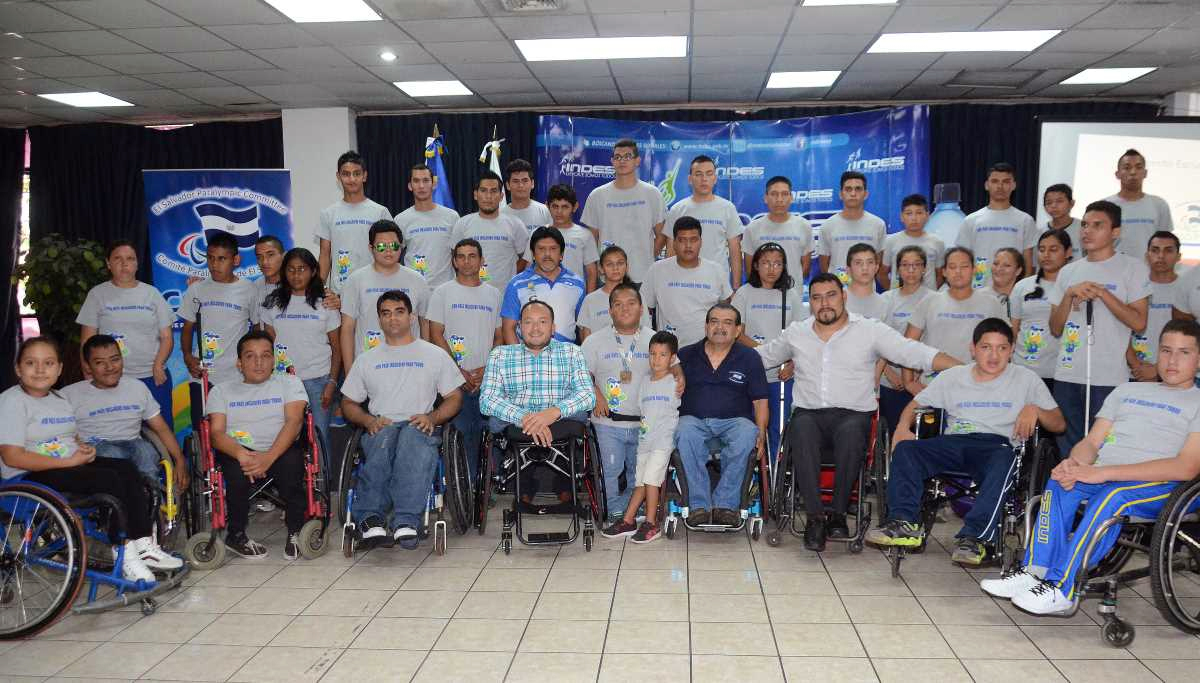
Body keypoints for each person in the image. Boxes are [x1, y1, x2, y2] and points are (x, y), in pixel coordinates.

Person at [982, 319, 1200, 614]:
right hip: (1107, 475)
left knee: (1113, 496)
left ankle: (1063, 587)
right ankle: (1035, 572)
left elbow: (1186, 468)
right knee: (1061, 481)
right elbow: (1092, 442)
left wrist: (1102, 473)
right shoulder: (1126, 391)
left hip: (1167, 486)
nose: (1172, 360)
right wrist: (1074, 463)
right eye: (1166, 350)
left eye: (1184, 352)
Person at [756, 273, 958, 550]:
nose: (824, 303)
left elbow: (912, 352)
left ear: (844, 296)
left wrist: (963, 368)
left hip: (853, 416)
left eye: (831, 295)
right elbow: (762, 357)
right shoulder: (797, 333)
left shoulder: (869, 330)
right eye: (817, 298)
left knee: (852, 432)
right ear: (810, 303)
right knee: (800, 428)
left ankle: (838, 514)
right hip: (809, 415)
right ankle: (815, 518)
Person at [866, 318, 1065, 564]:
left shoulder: (1026, 379)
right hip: (954, 442)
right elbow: (916, 403)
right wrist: (901, 428)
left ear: (1012, 349)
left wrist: (1036, 409)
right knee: (907, 449)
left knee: (1006, 459)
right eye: (986, 347)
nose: (994, 355)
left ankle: (975, 537)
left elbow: (1058, 424)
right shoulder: (953, 376)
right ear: (973, 349)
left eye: (1002, 348)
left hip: (996, 446)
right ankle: (904, 523)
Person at [0, 337, 182, 581]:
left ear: (59, 369)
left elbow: (68, 436)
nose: (40, 369)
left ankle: (143, 544)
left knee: (127, 469)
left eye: (48, 363)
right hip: (28, 476)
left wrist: (82, 448)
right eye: (31, 363)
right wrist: (68, 462)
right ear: (18, 369)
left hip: (65, 467)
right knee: (108, 479)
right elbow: (12, 457)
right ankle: (124, 554)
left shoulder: (58, 399)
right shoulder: (11, 401)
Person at [341, 291, 464, 549]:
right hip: (381, 424)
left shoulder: (434, 354)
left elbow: (454, 397)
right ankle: (371, 519)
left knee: (411, 437)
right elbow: (348, 403)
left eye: (399, 312)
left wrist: (432, 417)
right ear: (379, 319)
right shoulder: (366, 359)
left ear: (411, 317)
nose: (392, 318)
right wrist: (367, 420)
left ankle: (406, 520)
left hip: (419, 424)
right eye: (386, 313)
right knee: (383, 438)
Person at [1049, 200, 1150, 455]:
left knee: (1104, 447)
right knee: (1068, 446)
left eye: (1097, 225)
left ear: (1115, 232)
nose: (1087, 231)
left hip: (1109, 375)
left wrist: (1103, 294)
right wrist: (1069, 294)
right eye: (1084, 225)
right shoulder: (1068, 272)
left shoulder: (1133, 268)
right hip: (1068, 374)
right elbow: (1055, 327)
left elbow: (1139, 322)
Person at [206, 329, 310, 559]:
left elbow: (294, 422)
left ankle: (296, 530)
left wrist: (269, 457)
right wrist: (242, 454)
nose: (259, 362)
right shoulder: (221, 391)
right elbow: (216, 434)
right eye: (250, 356)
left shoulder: (290, 383)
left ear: (274, 360)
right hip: (238, 451)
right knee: (235, 474)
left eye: (265, 355)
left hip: (279, 448)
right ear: (239, 363)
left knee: (293, 464)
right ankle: (236, 535)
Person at [480, 300, 596, 504]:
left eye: (542, 322)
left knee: (579, 415)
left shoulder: (572, 352)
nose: (535, 328)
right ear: (519, 327)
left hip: (560, 419)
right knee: (495, 420)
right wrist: (526, 417)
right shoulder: (500, 355)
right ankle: (524, 486)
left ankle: (564, 483)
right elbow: (487, 400)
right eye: (528, 322)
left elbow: (588, 395)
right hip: (517, 422)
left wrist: (552, 413)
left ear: (553, 328)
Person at [674, 303, 769, 527]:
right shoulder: (685, 355)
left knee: (748, 433)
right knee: (683, 430)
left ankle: (725, 505)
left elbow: (760, 401)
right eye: (714, 322)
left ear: (738, 330)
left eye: (727, 323)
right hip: (693, 419)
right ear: (706, 326)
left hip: (735, 421)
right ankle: (698, 506)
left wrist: (761, 433)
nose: (720, 327)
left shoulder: (750, 357)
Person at [63, 334, 187, 490]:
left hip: (133, 444)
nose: (110, 367)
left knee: (146, 452)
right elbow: (58, 432)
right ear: (87, 366)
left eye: (115, 359)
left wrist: (180, 460)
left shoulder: (137, 388)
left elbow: (161, 428)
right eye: (100, 362)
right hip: (95, 447)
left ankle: (150, 493)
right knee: (112, 453)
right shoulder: (70, 395)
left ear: (122, 360)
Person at [77, 240, 175, 429]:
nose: (124, 264)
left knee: (162, 433)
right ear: (108, 263)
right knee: (117, 433)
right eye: (118, 259)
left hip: (152, 377)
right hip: (111, 378)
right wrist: (89, 373)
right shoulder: (97, 295)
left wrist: (158, 365)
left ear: (137, 264)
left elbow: (167, 337)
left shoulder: (152, 294)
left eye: (130, 259)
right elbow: (87, 342)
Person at [427, 239, 503, 481]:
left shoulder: (494, 294)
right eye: (461, 256)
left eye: (472, 256)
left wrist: (488, 369)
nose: (467, 261)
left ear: (482, 261)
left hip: (485, 378)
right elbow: (435, 334)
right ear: (454, 261)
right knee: (461, 436)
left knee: (486, 436)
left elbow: (499, 336)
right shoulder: (442, 292)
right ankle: (462, 487)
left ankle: (483, 488)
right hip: (453, 380)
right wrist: (457, 371)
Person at [260, 247, 341, 466]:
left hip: (318, 380)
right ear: (284, 272)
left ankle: (322, 484)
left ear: (313, 271)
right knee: (284, 436)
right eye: (291, 269)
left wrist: (332, 383)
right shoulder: (272, 303)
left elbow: (337, 348)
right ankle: (291, 482)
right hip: (283, 382)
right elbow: (268, 347)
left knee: (319, 437)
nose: (296, 275)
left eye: (302, 269)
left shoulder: (325, 303)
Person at [584, 283, 655, 523]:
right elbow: (581, 376)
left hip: (643, 423)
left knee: (639, 471)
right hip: (607, 422)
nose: (625, 309)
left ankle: (634, 508)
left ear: (642, 309)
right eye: (618, 304)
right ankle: (614, 509)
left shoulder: (655, 340)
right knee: (610, 470)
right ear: (610, 311)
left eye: (631, 303)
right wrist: (597, 395)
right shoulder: (594, 341)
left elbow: (672, 371)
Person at [602, 331, 681, 544]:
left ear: (672, 358)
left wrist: (679, 373)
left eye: (663, 355)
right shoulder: (645, 380)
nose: (656, 359)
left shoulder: (675, 381)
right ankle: (628, 521)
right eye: (652, 354)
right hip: (645, 441)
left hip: (662, 442)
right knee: (640, 483)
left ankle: (651, 523)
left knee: (652, 481)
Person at [179, 230, 260, 429]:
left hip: (236, 374)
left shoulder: (249, 290)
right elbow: (187, 328)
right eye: (211, 258)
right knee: (203, 430)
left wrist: (251, 361)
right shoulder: (196, 289)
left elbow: (257, 329)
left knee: (236, 429)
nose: (214, 265)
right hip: (202, 375)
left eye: (221, 259)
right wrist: (188, 357)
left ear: (236, 260)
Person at [732, 243, 805, 460]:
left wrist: (793, 364)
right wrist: (765, 353)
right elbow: (736, 332)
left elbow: (802, 336)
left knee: (778, 429)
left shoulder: (790, 295)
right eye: (766, 263)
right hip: (749, 374)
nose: (772, 269)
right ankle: (752, 473)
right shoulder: (744, 293)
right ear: (755, 265)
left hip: (781, 377)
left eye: (777, 264)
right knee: (749, 428)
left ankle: (775, 473)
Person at [904, 247, 1007, 392]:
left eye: (964, 266)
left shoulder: (991, 303)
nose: (958, 272)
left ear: (974, 270)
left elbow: (1006, 345)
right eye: (952, 267)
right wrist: (908, 382)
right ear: (944, 272)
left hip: (978, 385)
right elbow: (908, 344)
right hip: (933, 385)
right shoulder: (929, 301)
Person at [340, 219, 430, 373]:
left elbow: (425, 324)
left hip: (410, 366)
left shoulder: (418, 280)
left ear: (401, 247)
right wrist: (350, 373)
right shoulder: (356, 280)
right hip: (369, 368)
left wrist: (425, 362)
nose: (389, 251)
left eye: (394, 246)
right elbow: (347, 328)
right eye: (381, 246)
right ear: (371, 248)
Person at [580, 138, 667, 284]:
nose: (622, 161)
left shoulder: (652, 193)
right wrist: (600, 265)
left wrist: (648, 257)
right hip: (608, 276)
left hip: (643, 275)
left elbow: (662, 234)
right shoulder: (597, 195)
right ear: (612, 161)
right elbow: (591, 239)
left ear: (637, 161)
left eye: (627, 156)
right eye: (618, 157)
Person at [641, 216, 733, 347]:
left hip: (707, 349)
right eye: (682, 240)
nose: (688, 245)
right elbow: (644, 309)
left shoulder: (716, 270)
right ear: (673, 243)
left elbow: (726, 309)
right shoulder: (657, 270)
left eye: (693, 240)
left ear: (701, 242)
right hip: (668, 350)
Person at [879, 246, 936, 435]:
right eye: (905, 265)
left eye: (916, 265)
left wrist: (916, 374)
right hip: (890, 381)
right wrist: (889, 374)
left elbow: (935, 342)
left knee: (923, 436)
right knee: (893, 433)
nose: (911, 270)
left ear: (924, 269)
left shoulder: (935, 299)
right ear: (898, 270)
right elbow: (877, 342)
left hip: (923, 381)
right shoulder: (886, 299)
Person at [317, 150, 392, 293]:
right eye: (346, 174)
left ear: (365, 176)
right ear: (338, 176)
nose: (352, 179)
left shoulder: (380, 212)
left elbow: (391, 252)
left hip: (376, 289)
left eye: (357, 173)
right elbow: (325, 254)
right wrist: (318, 289)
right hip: (340, 292)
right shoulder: (328, 214)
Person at [955, 162, 1037, 289]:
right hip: (978, 289)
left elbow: (1029, 263)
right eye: (995, 181)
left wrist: (1023, 291)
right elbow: (961, 259)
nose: (1000, 186)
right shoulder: (971, 220)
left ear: (1013, 185)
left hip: (1013, 291)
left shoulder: (1025, 220)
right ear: (986, 185)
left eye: (1006, 182)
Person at [666, 155, 745, 287]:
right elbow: (671, 250)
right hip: (684, 282)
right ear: (690, 179)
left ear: (715, 178)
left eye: (709, 174)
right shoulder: (677, 209)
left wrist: (736, 287)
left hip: (717, 283)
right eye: (698, 174)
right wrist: (670, 282)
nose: (704, 179)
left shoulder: (727, 208)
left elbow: (735, 250)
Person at [501, 226, 586, 345]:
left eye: (553, 249)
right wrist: (520, 356)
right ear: (533, 254)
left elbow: (583, 326)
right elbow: (508, 328)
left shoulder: (577, 284)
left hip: (565, 354)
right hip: (527, 353)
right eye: (541, 249)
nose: (547, 254)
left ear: (561, 254)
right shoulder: (516, 284)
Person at [1011, 230, 1073, 391]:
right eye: (1042, 249)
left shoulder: (1075, 287)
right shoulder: (1022, 286)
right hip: (1024, 369)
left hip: (1062, 372)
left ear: (1068, 252)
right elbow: (1014, 330)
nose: (1046, 255)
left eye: (1053, 249)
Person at [450, 170, 529, 295]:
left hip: (505, 296)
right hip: (469, 293)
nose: (488, 196)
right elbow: (455, 258)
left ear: (501, 196)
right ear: (475, 195)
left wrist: (510, 276)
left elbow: (525, 258)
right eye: (483, 191)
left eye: (493, 191)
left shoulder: (515, 224)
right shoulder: (462, 224)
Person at [394, 163, 460, 287]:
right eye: (416, 181)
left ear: (434, 184)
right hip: (413, 288)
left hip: (445, 288)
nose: (421, 186)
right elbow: (393, 257)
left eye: (425, 180)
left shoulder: (452, 217)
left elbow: (459, 256)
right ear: (410, 186)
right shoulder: (400, 219)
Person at [816, 171, 886, 285]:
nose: (853, 193)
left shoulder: (878, 224)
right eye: (848, 189)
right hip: (837, 291)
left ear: (866, 194)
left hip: (867, 290)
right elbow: (824, 266)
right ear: (841, 194)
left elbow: (878, 263)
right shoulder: (828, 226)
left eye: (858, 189)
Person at [741, 176, 813, 288]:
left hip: (792, 293)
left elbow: (806, 267)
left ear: (791, 198)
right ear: (766, 198)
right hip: (762, 294)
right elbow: (749, 269)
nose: (779, 199)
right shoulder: (752, 228)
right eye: (774, 194)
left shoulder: (804, 226)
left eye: (784, 194)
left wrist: (791, 285)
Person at [1128, 231, 1181, 382]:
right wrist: (1137, 366)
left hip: (1176, 372)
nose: (1161, 256)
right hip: (1135, 372)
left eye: (1168, 251)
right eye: (1155, 250)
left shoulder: (1187, 289)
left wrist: (1158, 369)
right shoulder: (1132, 287)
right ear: (1147, 255)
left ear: (1178, 256)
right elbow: (1120, 331)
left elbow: (1193, 338)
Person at [1107, 148, 1174, 257]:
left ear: (1145, 173)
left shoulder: (1159, 205)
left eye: (1138, 167)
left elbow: (1166, 242)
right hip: (1114, 266)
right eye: (1127, 168)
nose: (1133, 172)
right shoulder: (1106, 206)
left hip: (1149, 266)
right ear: (1117, 174)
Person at [578, 245, 650, 339]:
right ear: (601, 269)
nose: (615, 268)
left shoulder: (638, 296)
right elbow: (585, 336)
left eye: (620, 263)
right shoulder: (590, 300)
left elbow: (646, 331)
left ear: (627, 267)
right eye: (609, 264)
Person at [880, 194, 944, 291]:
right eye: (909, 213)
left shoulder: (937, 242)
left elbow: (940, 275)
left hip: (927, 298)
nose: (914, 218)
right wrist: (893, 293)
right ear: (901, 217)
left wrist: (930, 293)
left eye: (919, 213)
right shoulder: (891, 241)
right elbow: (882, 273)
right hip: (899, 298)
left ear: (927, 216)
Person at [545, 183, 599, 292]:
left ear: (575, 207)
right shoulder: (538, 233)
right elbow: (529, 267)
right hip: (543, 294)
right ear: (547, 206)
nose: (559, 212)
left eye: (565, 207)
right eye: (555, 206)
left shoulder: (585, 235)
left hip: (575, 295)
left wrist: (589, 300)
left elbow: (591, 272)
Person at [501, 158, 552, 233]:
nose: (520, 185)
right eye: (515, 181)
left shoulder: (545, 211)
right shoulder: (501, 215)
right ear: (508, 185)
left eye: (525, 181)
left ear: (532, 183)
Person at [844, 242, 885, 320]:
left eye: (870, 262)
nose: (865, 268)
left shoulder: (885, 304)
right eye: (858, 263)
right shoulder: (838, 300)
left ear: (876, 268)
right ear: (848, 269)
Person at [1043, 184, 1083, 260]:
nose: (1053, 206)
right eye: (1049, 202)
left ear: (1071, 203)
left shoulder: (1083, 228)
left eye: (1059, 201)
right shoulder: (1041, 231)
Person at [990, 247, 1025, 315]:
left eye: (1006, 265)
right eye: (996, 264)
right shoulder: (978, 296)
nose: (998, 269)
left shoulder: (1025, 300)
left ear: (1018, 271)